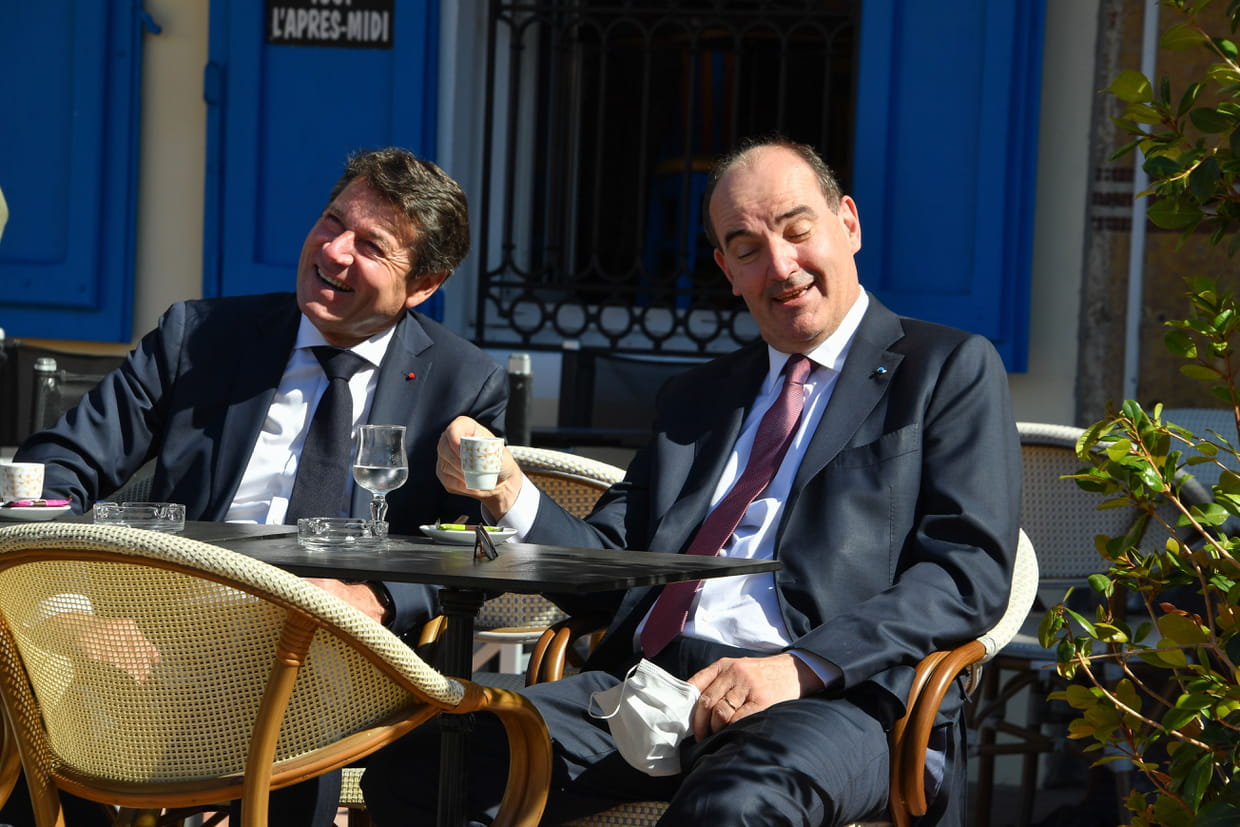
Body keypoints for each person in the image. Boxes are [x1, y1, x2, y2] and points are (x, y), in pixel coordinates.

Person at [361, 137, 1022, 826]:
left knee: (732, 806)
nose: (781, 265)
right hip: (649, 687)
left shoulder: (943, 370)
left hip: (831, 697)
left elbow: (965, 572)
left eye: (798, 231)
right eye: (747, 248)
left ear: (848, 223)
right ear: (726, 270)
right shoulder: (699, 397)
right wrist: (509, 492)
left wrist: (800, 666)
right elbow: (608, 569)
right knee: (423, 764)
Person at [8, 147, 507, 826]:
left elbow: (475, 540)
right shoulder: (201, 336)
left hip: (335, 651)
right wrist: (70, 610)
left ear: (423, 284)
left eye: (370, 246)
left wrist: (378, 597)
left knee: (304, 696)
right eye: (332, 222)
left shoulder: (462, 382)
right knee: (33, 687)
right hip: (165, 626)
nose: (333, 251)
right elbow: (52, 471)